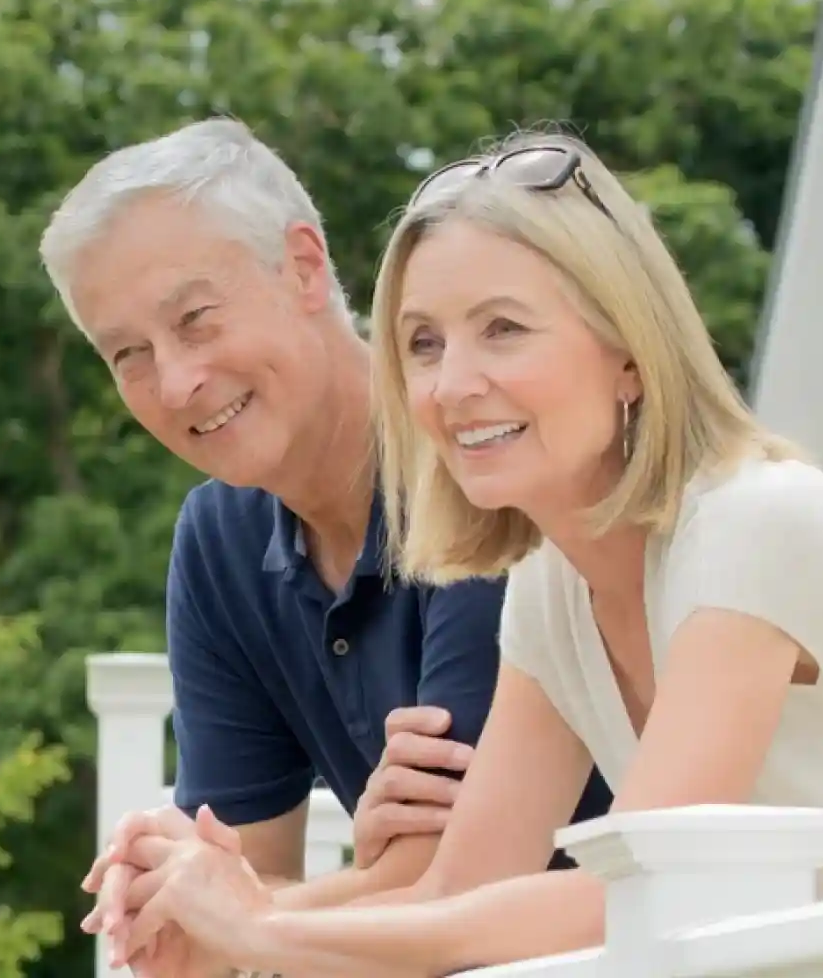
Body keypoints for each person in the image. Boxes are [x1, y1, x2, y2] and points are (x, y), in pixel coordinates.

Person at [85, 132, 823, 976]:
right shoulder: (549, 595)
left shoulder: (751, 528)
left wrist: (269, 929)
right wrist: (236, 923)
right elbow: (462, 897)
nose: (454, 384)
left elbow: (637, 892)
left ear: (628, 356)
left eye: (505, 329)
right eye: (424, 343)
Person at [38, 119, 613, 973]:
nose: (175, 382)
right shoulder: (219, 540)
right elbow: (252, 874)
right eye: (128, 354)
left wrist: (230, 912)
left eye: (195, 320)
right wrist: (218, 904)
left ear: (304, 267)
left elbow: (452, 875)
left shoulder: (479, 459)